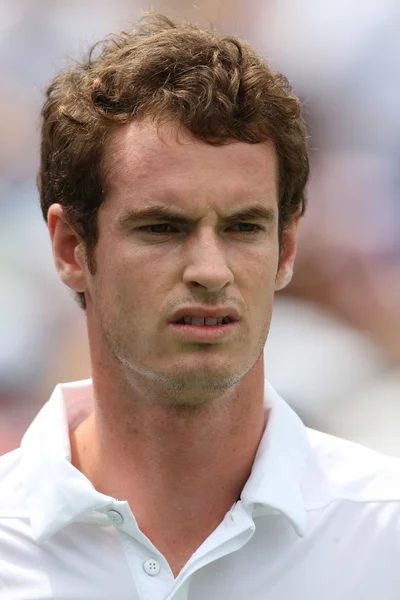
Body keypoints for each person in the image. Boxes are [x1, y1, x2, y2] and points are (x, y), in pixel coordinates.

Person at [0, 12, 399, 600]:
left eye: (243, 228)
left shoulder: (385, 533)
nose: (210, 271)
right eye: (162, 227)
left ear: (286, 248)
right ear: (71, 248)